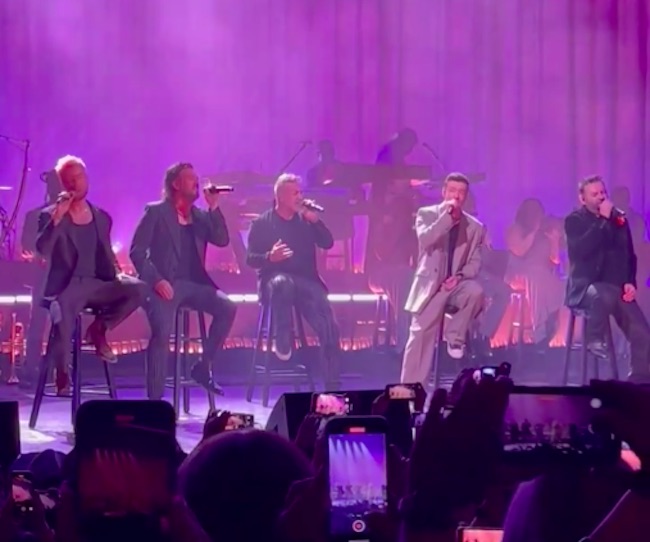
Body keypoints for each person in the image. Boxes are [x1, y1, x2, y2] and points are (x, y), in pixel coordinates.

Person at [36, 155, 146, 395]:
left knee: (139, 288)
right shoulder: (50, 215)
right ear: (62, 183)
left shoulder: (102, 217)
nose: (74, 183)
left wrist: (117, 273)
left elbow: (105, 252)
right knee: (63, 314)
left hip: (99, 283)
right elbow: (42, 249)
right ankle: (62, 373)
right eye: (69, 179)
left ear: (86, 179)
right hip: (67, 285)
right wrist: (57, 218)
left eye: (78, 177)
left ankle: (99, 328)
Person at [130, 162, 236, 399]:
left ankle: (203, 367)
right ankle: (155, 402)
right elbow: (137, 252)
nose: (197, 182)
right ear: (176, 184)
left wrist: (214, 207)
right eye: (191, 178)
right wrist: (156, 280)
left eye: (197, 178)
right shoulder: (156, 212)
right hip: (164, 284)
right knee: (162, 332)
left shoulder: (199, 216)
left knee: (228, 306)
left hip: (196, 284)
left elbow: (222, 240)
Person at [246, 173, 340, 387]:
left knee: (329, 325)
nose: (300, 197)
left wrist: (315, 221)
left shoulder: (306, 222)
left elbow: (327, 243)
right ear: (280, 196)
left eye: (300, 192)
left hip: (306, 283)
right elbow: (250, 259)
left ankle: (332, 384)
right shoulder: (261, 223)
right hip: (275, 284)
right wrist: (270, 257)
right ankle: (282, 337)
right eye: (295, 193)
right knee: (283, 283)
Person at [400, 173, 485, 385]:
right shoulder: (426, 214)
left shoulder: (474, 227)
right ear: (444, 192)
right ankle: (411, 388)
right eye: (452, 191)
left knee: (475, 292)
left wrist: (459, 277)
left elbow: (475, 263)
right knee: (420, 337)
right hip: (431, 287)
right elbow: (426, 239)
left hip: (455, 286)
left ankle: (455, 338)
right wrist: (447, 218)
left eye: (461, 192)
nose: (456, 196)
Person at [564, 175, 650, 383]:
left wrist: (630, 282)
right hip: (586, 288)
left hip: (615, 287)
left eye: (603, 192)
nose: (601, 197)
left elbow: (628, 254)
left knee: (641, 331)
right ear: (583, 199)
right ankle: (594, 338)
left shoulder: (618, 219)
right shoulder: (574, 221)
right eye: (595, 194)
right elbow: (582, 251)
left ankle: (639, 379)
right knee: (601, 293)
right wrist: (602, 220)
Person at [365, 128, 420, 354]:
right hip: (381, 270)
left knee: (412, 277)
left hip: (403, 268)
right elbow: (383, 251)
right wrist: (395, 220)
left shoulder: (405, 206)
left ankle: (417, 342)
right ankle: (404, 344)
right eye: (403, 178)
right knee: (403, 278)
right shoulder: (384, 209)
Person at [19, 170, 61, 386]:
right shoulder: (35, 216)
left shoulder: (77, 215)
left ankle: (58, 370)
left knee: (62, 324)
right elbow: (26, 245)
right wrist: (38, 255)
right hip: (43, 277)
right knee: (37, 322)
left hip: (67, 278)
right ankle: (32, 368)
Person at [505, 198, 564, 345]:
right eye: (534, 214)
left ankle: (552, 323)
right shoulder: (515, 230)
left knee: (559, 284)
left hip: (542, 276)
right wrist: (533, 232)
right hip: (518, 273)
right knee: (536, 277)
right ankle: (539, 328)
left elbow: (555, 261)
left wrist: (554, 240)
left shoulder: (544, 235)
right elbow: (520, 251)